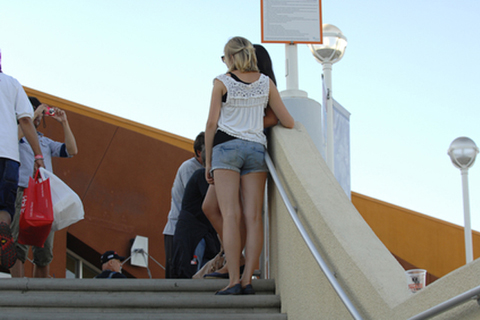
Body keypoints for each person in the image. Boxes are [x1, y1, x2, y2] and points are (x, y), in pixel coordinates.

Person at [204, 37, 294, 295]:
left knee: (231, 215)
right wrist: (253, 123)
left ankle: (232, 281)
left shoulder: (221, 82)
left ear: (231, 57)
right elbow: (286, 121)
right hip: (255, 149)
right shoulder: (266, 83)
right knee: (254, 218)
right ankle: (247, 281)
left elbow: (211, 124)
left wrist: (209, 161)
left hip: (226, 148)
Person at [9, 96, 78, 278]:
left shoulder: (45, 141)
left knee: (44, 249)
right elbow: (13, 140)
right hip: (21, 192)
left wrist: (64, 122)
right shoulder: (15, 134)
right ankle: (18, 290)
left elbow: (72, 150)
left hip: (42, 196)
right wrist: (31, 116)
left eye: (40, 113)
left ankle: (39, 291)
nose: (38, 117)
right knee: (18, 244)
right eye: (33, 111)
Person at [0, 50, 45, 270]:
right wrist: (38, 155)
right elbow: (26, 120)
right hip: (9, 157)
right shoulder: (12, 84)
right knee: (5, 209)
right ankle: (3, 230)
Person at [171, 148, 221, 279]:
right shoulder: (201, 176)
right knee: (193, 271)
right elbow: (214, 205)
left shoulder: (202, 177)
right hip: (194, 236)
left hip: (202, 236)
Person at [163, 132, 205, 278]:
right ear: (199, 152)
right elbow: (194, 199)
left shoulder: (204, 169)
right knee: (177, 273)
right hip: (177, 231)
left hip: (193, 232)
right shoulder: (190, 168)